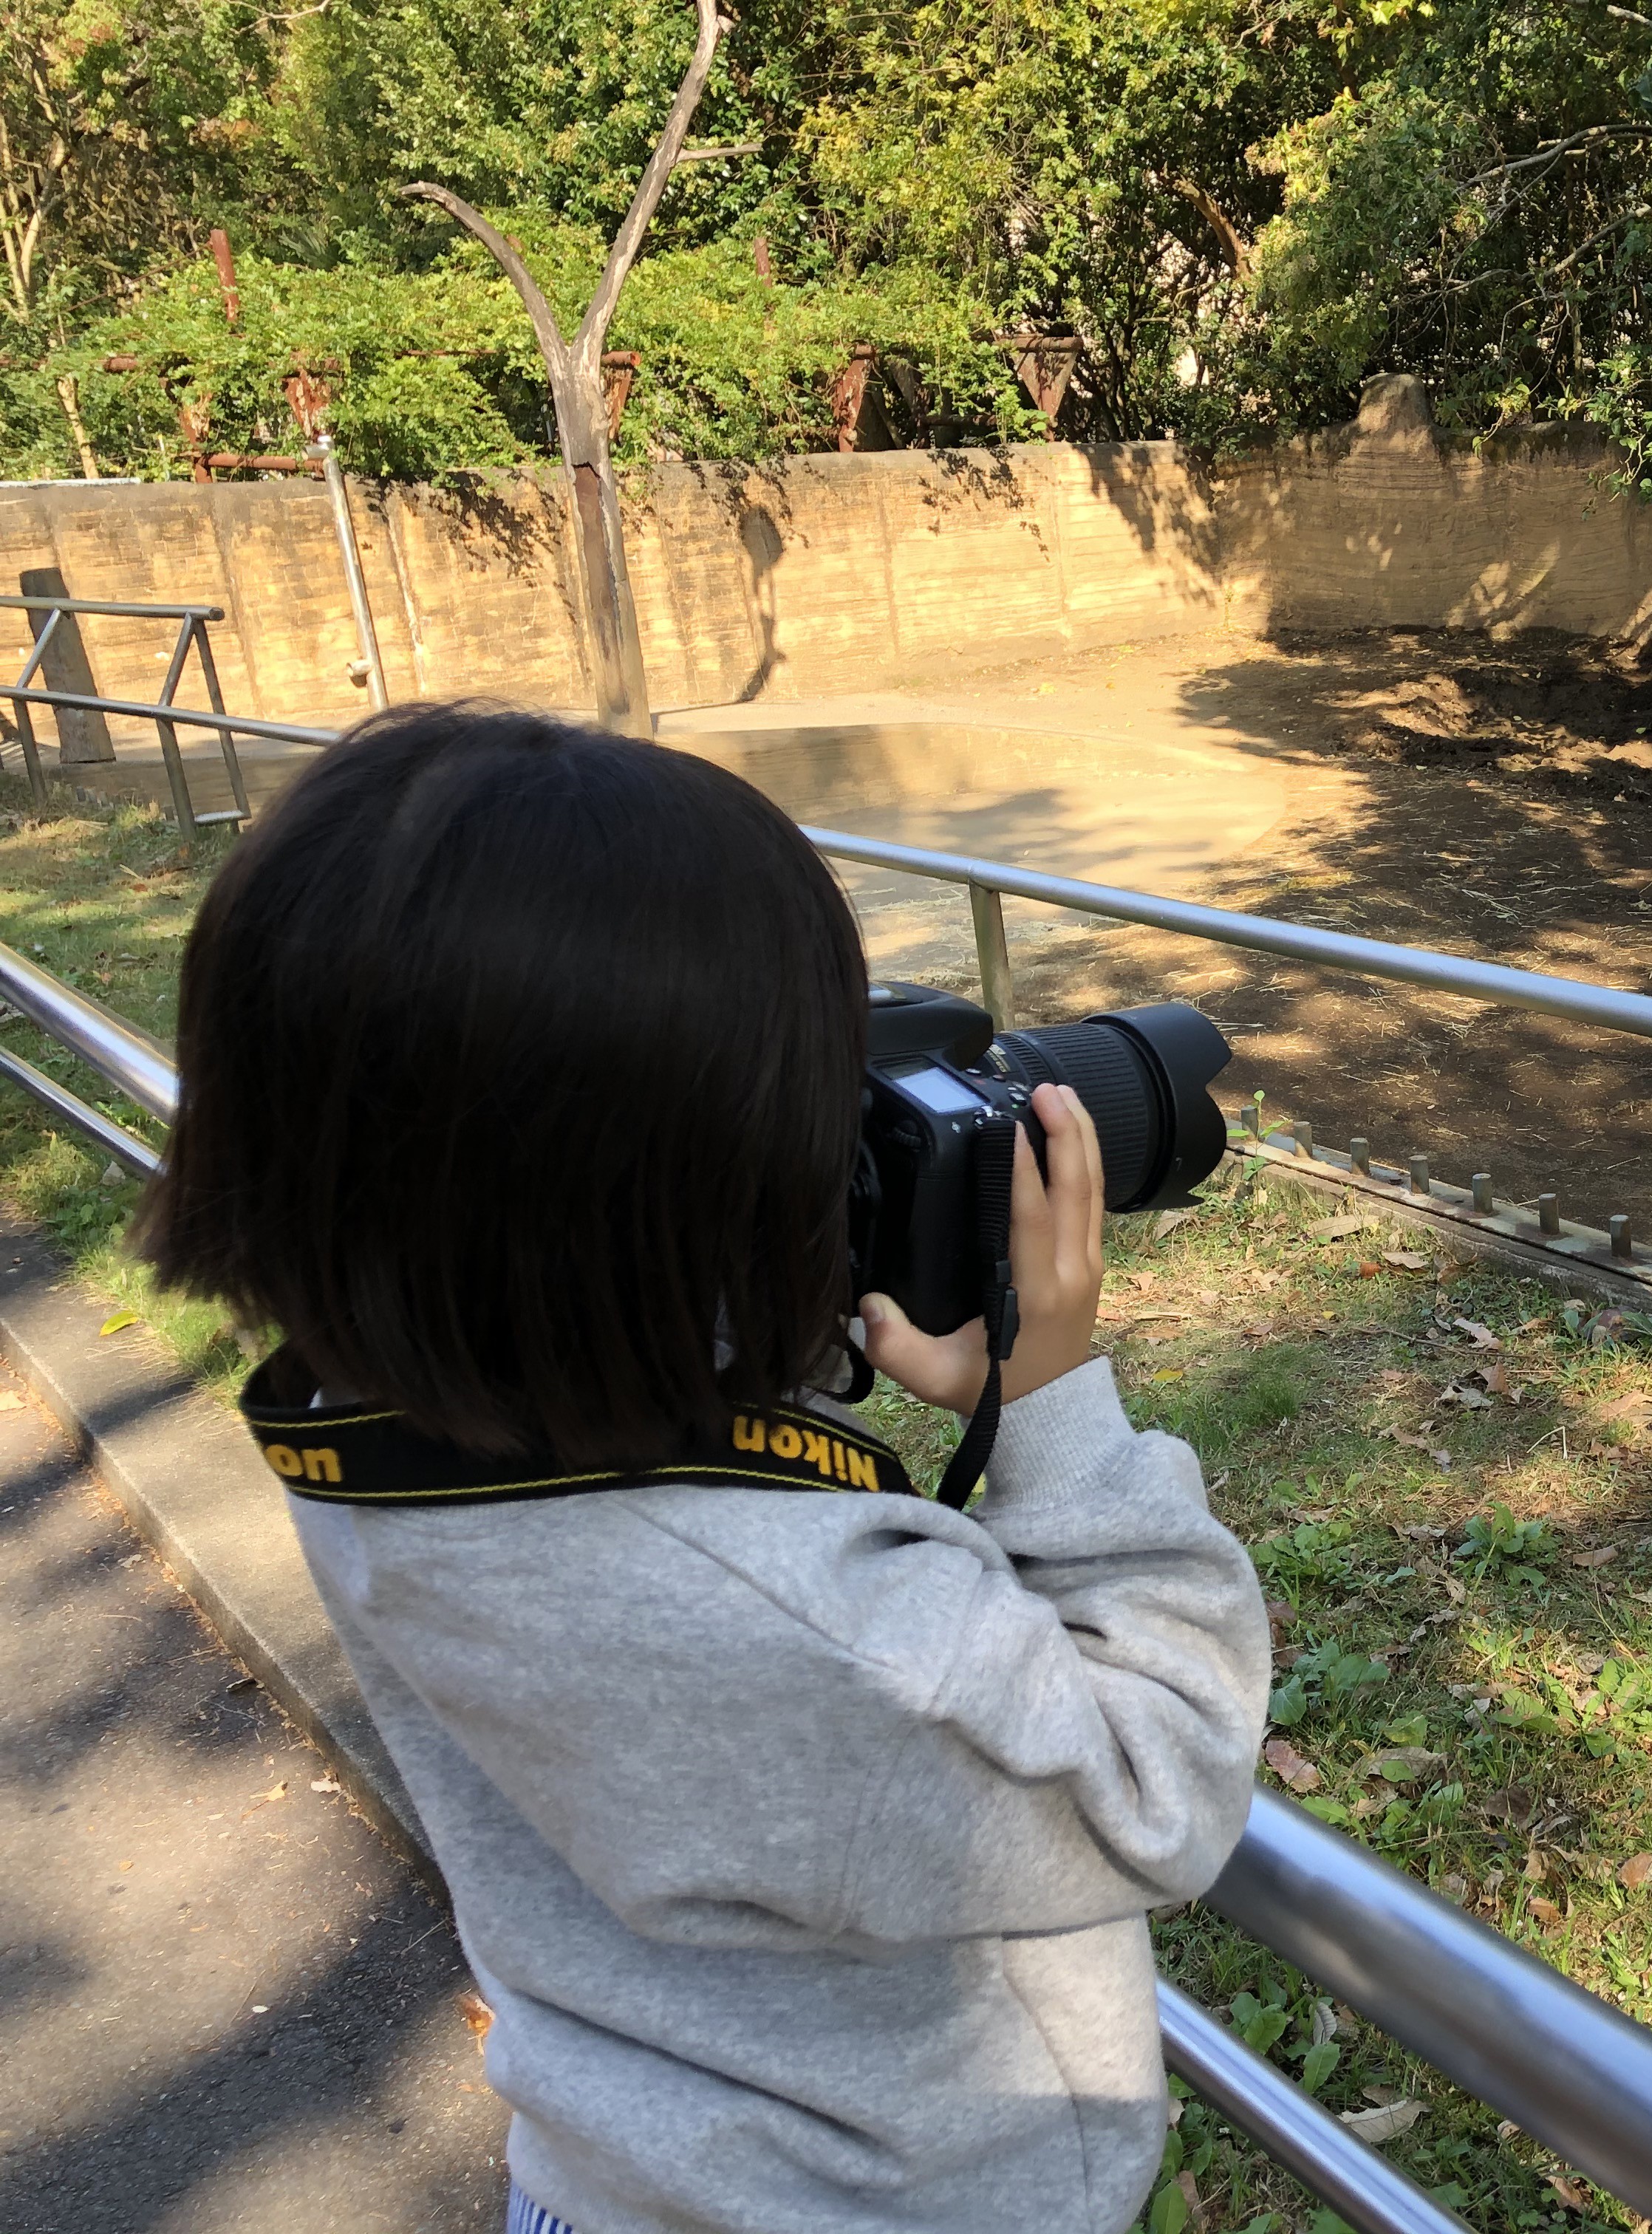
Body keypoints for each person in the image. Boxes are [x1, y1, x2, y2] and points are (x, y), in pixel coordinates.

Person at [134, 703, 1269, 2234]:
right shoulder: (803, 1627)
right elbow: (1162, 1781)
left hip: (615, 2181)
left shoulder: (376, 1410)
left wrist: (757, 1319)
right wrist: (1053, 1399)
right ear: (660, 1197)